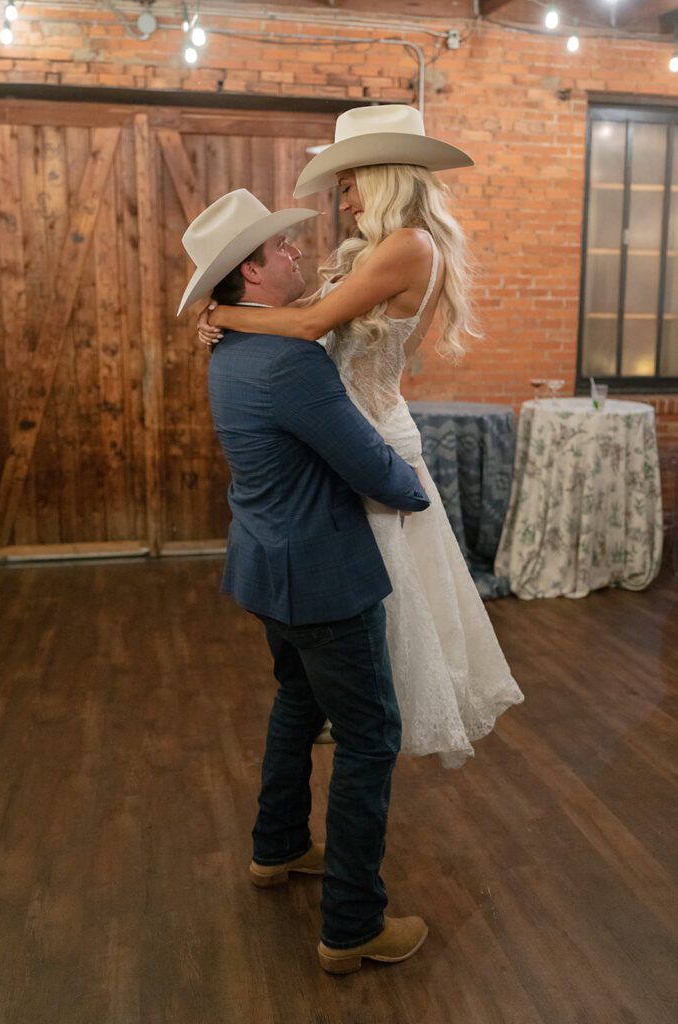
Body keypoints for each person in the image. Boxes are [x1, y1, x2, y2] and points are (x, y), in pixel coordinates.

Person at [197, 106, 525, 770]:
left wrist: (222, 311)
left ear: (380, 179)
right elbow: (306, 322)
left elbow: (309, 322)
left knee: (373, 600)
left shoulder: (409, 245)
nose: (344, 204)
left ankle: (358, 714)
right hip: (349, 431)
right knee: (367, 603)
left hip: (371, 440)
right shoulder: (387, 247)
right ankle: (343, 706)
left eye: (347, 186)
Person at [178, 188, 432, 973]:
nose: (298, 254)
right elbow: (370, 467)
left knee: (296, 703)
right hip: (321, 575)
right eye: (280, 249)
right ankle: (352, 926)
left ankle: (276, 849)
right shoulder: (287, 361)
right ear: (251, 273)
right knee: (369, 738)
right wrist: (418, 487)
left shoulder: (232, 349)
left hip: (265, 564)